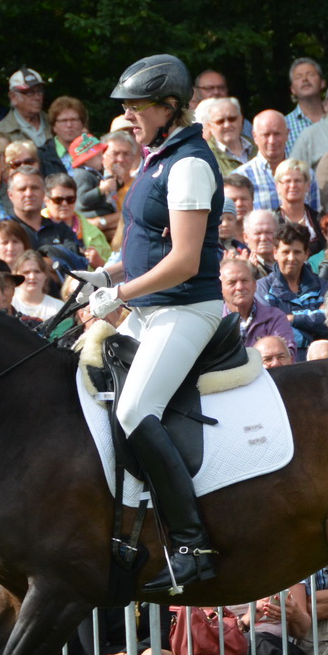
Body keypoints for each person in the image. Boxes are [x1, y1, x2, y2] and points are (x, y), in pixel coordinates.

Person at [75, 56, 225, 593]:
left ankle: (191, 545)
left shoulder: (188, 164)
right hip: (150, 308)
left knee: (138, 407)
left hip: (186, 308)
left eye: (136, 107)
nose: (127, 117)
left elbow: (184, 260)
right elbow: (143, 248)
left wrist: (117, 294)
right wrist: (103, 273)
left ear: (167, 107)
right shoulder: (157, 158)